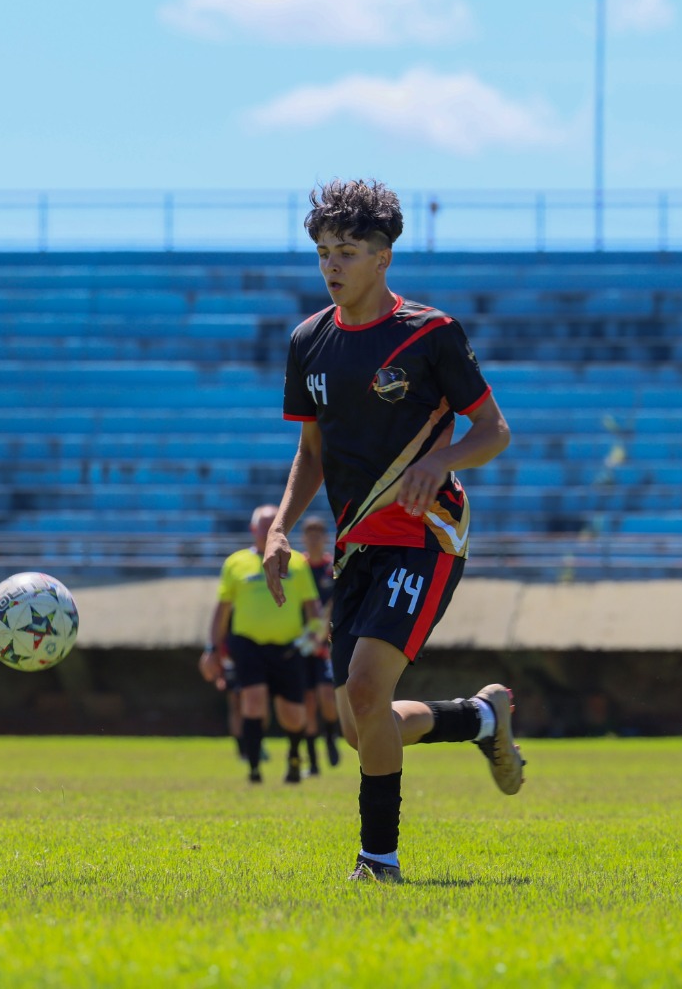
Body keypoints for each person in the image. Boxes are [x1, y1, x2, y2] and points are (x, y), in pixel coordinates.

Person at [264, 178, 523, 883]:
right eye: (322, 252)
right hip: (356, 547)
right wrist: (282, 528)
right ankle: (479, 720)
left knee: (368, 690)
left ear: (382, 257)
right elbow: (311, 454)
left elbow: (493, 431)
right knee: (360, 725)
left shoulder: (431, 336)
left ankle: (378, 863)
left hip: (428, 532)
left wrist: (439, 459)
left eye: (346, 251)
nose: (331, 265)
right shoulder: (308, 342)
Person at [205, 504, 322, 785]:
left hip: (288, 648)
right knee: (253, 700)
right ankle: (254, 768)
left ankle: (294, 756)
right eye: (263, 525)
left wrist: (314, 634)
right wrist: (212, 648)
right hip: (248, 646)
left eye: (273, 525)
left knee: (292, 714)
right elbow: (222, 610)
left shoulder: (297, 563)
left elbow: (313, 608)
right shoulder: (236, 563)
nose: (267, 531)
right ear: (253, 529)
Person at [299, 516, 342, 774]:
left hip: (325, 644)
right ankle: (312, 761)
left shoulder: (332, 569)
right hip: (303, 644)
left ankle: (330, 736)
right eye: (309, 533)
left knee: (327, 696)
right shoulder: (298, 568)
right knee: (307, 701)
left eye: (318, 532)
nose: (314, 538)